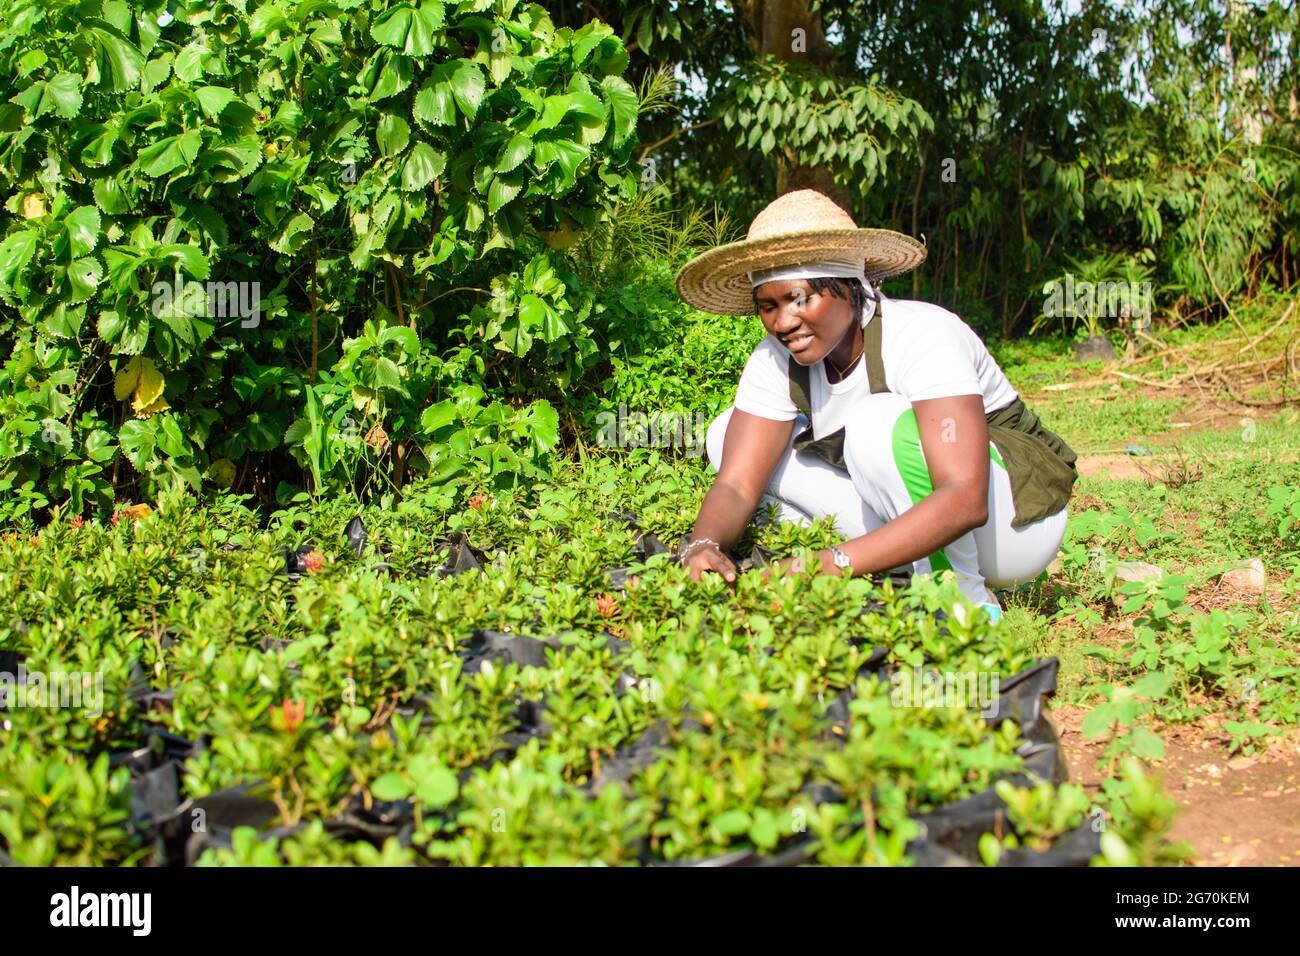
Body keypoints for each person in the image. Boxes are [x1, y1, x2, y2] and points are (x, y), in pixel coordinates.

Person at [673, 189, 1078, 620]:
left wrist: (833, 562)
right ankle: (901, 569)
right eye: (767, 307)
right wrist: (704, 545)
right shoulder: (776, 358)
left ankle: (964, 603)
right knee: (725, 435)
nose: (782, 322)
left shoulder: (922, 334)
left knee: (876, 426)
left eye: (799, 299)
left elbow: (965, 497)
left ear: (848, 286)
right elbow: (736, 484)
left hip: (1011, 528)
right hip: (917, 513)